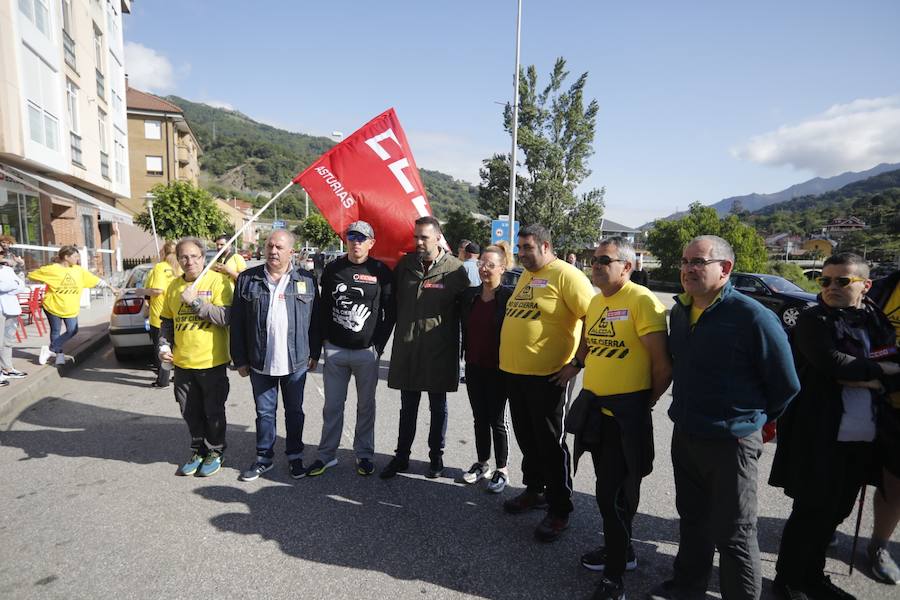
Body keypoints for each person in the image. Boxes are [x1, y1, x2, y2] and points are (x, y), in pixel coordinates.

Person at [649, 235, 800, 600]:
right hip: (686, 434)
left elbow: (786, 384)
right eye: (685, 262)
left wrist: (753, 422)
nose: (687, 269)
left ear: (725, 268)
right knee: (693, 520)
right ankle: (687, 588)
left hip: (732, 442)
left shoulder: (752, 317)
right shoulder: (681, 312)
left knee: (735, 533)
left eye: (698, 262)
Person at [770, 254, 900, 600]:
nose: (830, 288)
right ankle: (787, 582)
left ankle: (811, 577)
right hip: (819, 434)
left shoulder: (874, 319)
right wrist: (879, 374)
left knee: (835, 512)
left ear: (865, 285)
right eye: (825, 281)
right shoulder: (814, 319)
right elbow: (832, 363)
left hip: (864, 436)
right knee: (810, 513)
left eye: (841, 281)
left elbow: (893, 360)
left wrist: (871, 376)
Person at [561, 237, 671, 600]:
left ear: (628, 266)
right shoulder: (596, 301)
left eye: (604, 260)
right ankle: (621, 551)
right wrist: (576, 363)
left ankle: (615, 579)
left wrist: (645, 403)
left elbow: (661, 365)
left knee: (614, 497)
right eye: (594, 260)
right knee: (611, 493)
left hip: (627, 417)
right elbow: (590, 342)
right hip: (597, 414)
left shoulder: (642, 301)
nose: (595, 265)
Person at [499, 223, 595, 542]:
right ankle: (534, 491)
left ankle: (559, 509)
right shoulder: (527, 274)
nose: (522, 253)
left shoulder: (568, 275)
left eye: (527, 247)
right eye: (520, 248)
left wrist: (577, 363)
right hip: (517, 374)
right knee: (527, 437)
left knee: (551, 444)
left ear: (545, 246)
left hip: (550, 377)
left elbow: (593, 319)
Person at [381, 216, 470, 479]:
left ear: (438, 238)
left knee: (438, 407)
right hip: (408, 348)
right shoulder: (405, 265)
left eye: (424, 237)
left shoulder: (455, 270)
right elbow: (391, 305)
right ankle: (401, 457)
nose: (418, 242)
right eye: (416, 236)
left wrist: (467, 352)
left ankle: (436, 458)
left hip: (439, 351)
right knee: (407, 407)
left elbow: (466, 313)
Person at [230, 230, 321, 481]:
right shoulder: (248, 279)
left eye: (279, 247)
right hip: (260, 361)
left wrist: (315, 352)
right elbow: (236, 322)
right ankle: (264, 458)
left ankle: (295, 457)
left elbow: (316, 320)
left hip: (296, 361)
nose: (273, 251)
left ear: (291, 251)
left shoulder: (307, 279)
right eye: (270, 245)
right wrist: (240, 359)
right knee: (265, 413)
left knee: (295, 411)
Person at [306, 221, 395, 478]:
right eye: (352, 237)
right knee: (332, 407)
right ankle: (326, 456)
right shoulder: (334, 268)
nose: (356, 242)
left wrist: (378, 345)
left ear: (371, 243)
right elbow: (322, 309)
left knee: (366, 407)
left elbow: (391, 312)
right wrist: (321, 343)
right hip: (334, 350)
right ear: (347, 241)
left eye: (362, 238)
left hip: (366, 352)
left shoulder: (380, 270)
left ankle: (365, 455)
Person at [158, 237, 233, 478]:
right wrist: (163, 344)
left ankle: (215, 451)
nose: (189, 261)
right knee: (189, 411)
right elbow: (167, 320)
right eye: (184, 257)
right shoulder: (173, 286)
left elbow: (225, 317)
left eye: (194, 256)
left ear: (203, 257)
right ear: (178, 260)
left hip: (212, 361)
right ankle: (198, 449)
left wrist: (197, 302)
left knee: (213, 410)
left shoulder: (219, 281)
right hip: (182, 363)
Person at [458, 244, 513, 492]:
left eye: (490, 265)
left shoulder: (509, 297)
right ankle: (482, 464)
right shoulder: (470, 295)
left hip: (499, 369)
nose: (484, 269)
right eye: (482, 264)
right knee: (479, 418)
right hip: (473, 366)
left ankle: (502, 469)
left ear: (503, 268)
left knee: (497, 420)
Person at [28, 246, 117, 366]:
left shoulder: (78, 270)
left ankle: (49, 349)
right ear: (66, 257)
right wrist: (45, 280)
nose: (77, 259)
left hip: (70, 307)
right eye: (75, 256)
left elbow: (95, 280)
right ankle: (59, 355)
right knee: (55, 331)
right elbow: (32, 275)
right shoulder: (52, 269)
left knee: (72, 330)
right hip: (53, 305)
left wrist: (110, 287)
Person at [866, 268, 900, 585]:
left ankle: (879, 544)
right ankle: (823, 528)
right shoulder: (883, 288)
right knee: (847, 471)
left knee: (896, 483)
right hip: (873, 396)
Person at [142, 241, 182, 389]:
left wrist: (141, 292)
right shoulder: (179, 268)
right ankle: (178, 377)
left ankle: (163, 380)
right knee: (177, 347)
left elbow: (157, 289)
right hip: (177, 314)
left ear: (163, 253)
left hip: (159, 314)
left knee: (162, 349)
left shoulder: (159, 267)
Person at [0, 262, 28, 385]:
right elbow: (2, 287)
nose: (3, 254)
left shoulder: (7, 269)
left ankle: (7, 369)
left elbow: (21, 286)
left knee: (8, 341)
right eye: (1, 251)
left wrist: (13, 284)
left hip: (11, 308)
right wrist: (13, 284)